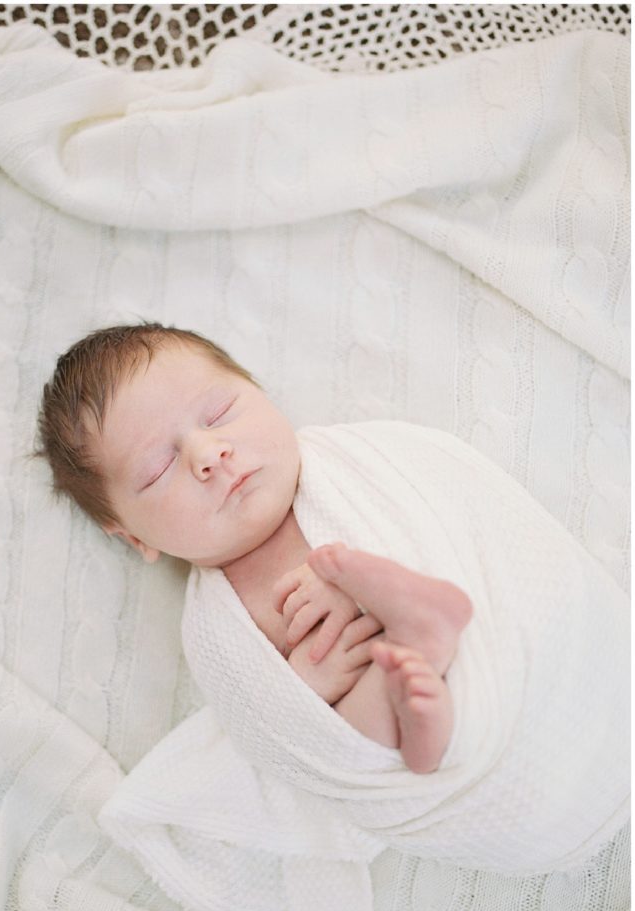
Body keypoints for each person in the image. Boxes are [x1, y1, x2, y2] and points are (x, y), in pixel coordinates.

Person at [37, 324, 473, 773]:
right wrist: (306, 687)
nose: (209, 452)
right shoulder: (213, 630)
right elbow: (265, 732)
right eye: (157, 468)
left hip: (448, 615)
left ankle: (401, 602)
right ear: (136, 538)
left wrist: (351, 573)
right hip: (383, 695)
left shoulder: (346, 465)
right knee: (350, 738)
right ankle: (421, 719)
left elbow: (431, 510)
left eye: (220, 412)